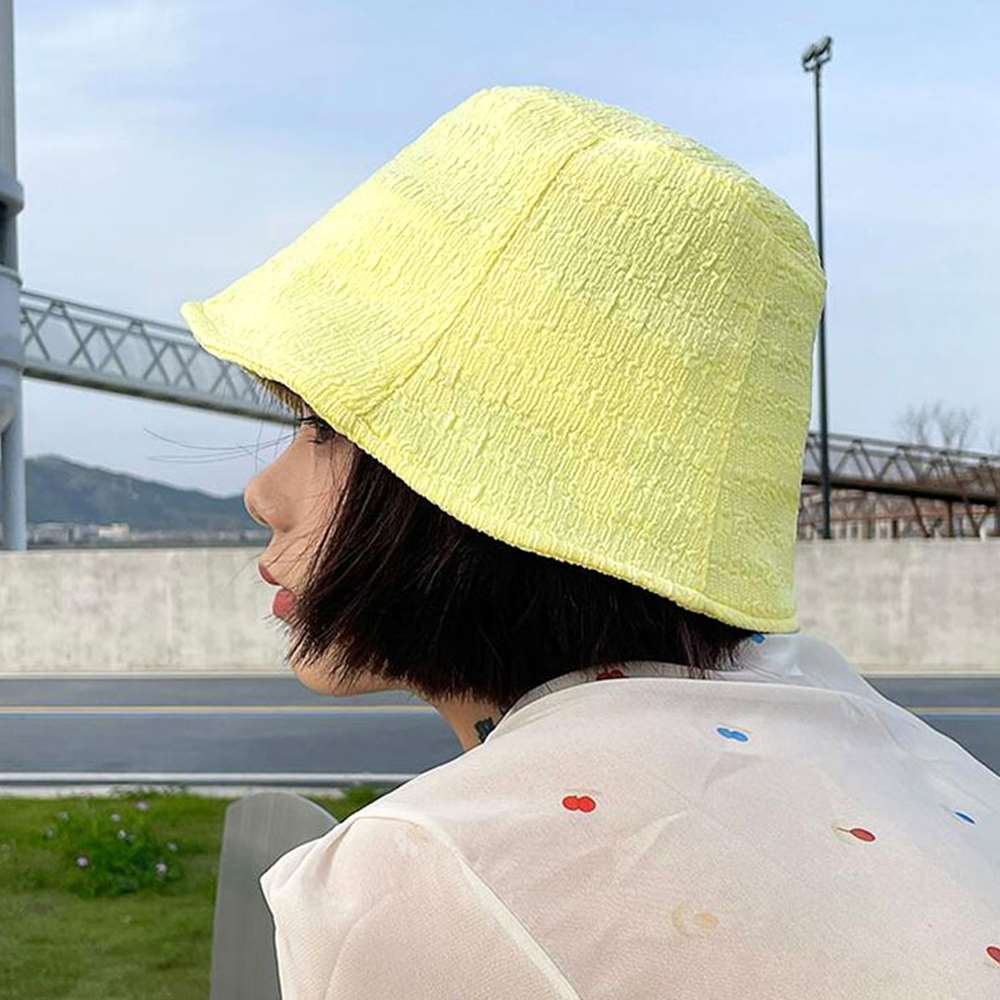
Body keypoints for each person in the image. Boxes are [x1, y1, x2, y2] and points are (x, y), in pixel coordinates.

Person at [181, 85, 1000, 999]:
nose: (263, 493)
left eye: (326, 427)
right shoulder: (923, 766)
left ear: (495, 477)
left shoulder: (421, 874)